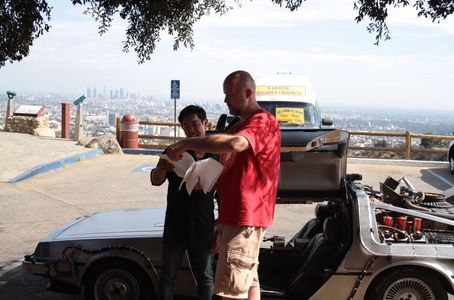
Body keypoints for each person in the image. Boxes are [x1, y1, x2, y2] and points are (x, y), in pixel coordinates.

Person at [166, 70, 281, 300]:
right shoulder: (239, 125)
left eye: (229, 94)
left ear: (248, 93)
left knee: (229, 291)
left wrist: (187, 142)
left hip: (245, 217)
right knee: (249, 284)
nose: (225, 100)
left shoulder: (261, 122)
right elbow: (235, 171)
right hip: (235, 217)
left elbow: (237, 144)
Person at [151, 105, 215, 300]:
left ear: (205, 123)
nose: (191, 130)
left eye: (195, 124)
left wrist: (221, 228)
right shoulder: (174, 151)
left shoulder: (217, 153)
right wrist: (162, 168)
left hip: (203, 226)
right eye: (186, 126)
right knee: (168, 277)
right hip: (175, 225)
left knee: (204, 278)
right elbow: (155, 180)